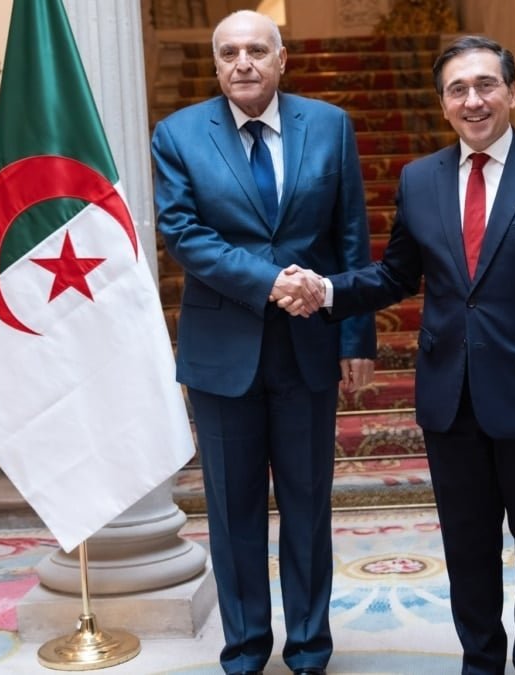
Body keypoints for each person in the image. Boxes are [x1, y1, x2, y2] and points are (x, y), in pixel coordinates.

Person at [278, 36, 515, 675]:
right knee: (467, 550)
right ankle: (480, 664)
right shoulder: (419, 178)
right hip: (450, 400)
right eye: (458, 90)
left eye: (486, 85)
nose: (473, 100)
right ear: (443, 104)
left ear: (512, 93)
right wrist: (326, 289)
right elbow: (395, 275)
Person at [150, 10, 376, 675]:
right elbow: (183, 233)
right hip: (223, 353)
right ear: (216, 64)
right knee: (232, 510)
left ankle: (308, 649)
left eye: (255, 50)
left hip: (309, 347)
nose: (242, 62)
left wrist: (356, 333)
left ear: (282, 59)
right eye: (228, 53)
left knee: (308, 507)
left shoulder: (329, 125)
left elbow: (351, 233)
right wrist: (270, 280)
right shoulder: (178, 134)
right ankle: (246, 649)